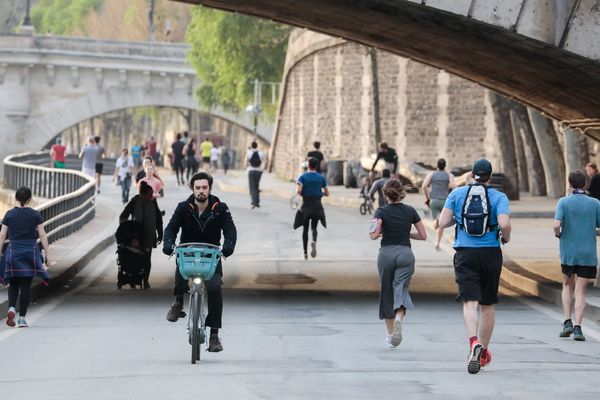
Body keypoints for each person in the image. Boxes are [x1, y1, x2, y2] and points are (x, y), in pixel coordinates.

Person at [438, 159, 511, 374]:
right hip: (490, 253)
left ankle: (473, 343)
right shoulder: (499, 196)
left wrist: (458, 220)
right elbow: (504, 224)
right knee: (487, 304)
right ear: (490, 176)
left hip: (465, 254)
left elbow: (442, 222)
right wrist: (505, 237)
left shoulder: (457, 194)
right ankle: (484, 351)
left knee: (470, 302)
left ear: (471, 174)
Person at [162, 172, 237, 353]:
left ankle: (214, 335)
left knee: (214, 288)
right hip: (188, 254)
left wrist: (228, 246)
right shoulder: (183, 207)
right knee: (180, 272)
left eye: (204, 187)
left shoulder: (221, 208)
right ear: (192, 189)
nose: (201, 191)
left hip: (211, 257)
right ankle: (178, 301)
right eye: (198, 188)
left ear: (210, 189)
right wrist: (169, 244)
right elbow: (171, 228)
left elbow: (230, 230)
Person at [369, 178, 426, 347]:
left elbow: (373, 234)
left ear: (385, 193)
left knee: (387, 292)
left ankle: (390, 335)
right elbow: (423, 236)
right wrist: (406, 234)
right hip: (405, 254)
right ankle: (399, 318)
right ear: (401, 193)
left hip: (386, 254)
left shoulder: (380, 212)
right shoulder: (410, 211)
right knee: (400, 289)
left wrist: (380, 232)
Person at [553, 170, 600, 342]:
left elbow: (556, 225)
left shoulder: (563, 202)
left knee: (567, 285)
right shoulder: (595, 203)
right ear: (585, 184)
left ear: (570, 184)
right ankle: (579, 328)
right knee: (581, 291)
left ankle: (567, 322)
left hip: (569, 252)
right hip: (588, 252)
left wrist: (559, 234)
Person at [0, 186, 51, 328]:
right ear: (30, 199)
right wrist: (47, 254)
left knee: (14, 283)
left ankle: (11, 308)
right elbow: (42, 235)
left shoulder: (9, 214)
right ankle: (22, 318)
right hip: (29, 252)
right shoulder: (35, 215)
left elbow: (2, 235)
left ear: (16, 198)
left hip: (13, 251)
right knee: (26, 285)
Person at [120, 181, 163, 289]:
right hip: (136, 236)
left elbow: (158, 219)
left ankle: (146, 280)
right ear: (143, 194)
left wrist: (160, 233)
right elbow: (123, 215)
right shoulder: (135, 201)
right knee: (135, 257)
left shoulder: (153, 203)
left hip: (149, 235)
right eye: (150, 194)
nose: (152, 196)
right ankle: (134, 277)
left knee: (147, 258)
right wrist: (126, 231)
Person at [294, 157, 329, 259]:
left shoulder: (302, 177)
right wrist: (320, 193)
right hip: (317, 205)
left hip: (306, 205)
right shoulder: (321, 178)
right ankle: (314, 241)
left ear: (308, 165)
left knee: (305, 230)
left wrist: (304, 193)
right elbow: (327, 193)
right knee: (314, 227)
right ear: (316, 166)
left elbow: (299, 191)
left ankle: (305, 252)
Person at [422, 159, 456, 250]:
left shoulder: (431, 174)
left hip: (434, 201)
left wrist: (427, 198)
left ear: (436, 165)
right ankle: (437, 243)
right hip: (445, 201)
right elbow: (453, 186)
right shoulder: (449, 175)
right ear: (445, 166)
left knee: (435, 223)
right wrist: (448, 189)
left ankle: (435, 222)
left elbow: (424, 186)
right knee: (442, 223)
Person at [247, 141, 266, 209]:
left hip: (251, 171)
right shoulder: (261, 153)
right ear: (257, 146)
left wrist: (245, 167)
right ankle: (257, 202)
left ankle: (254, 202)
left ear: (251, 146)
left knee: (252, 187)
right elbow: (264, 161)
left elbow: (245, 161)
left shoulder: (249, 152)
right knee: (256, 186)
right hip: (259, 171)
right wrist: (263, 169)